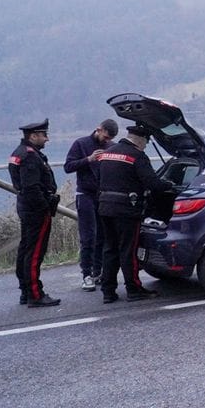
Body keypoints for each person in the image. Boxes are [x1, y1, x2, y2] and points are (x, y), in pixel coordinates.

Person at [97, 125, 175, 303]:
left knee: (109, 249)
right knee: (128, 250)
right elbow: (153, 183)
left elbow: (98, 180)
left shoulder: (108, 152)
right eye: (146, 142)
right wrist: (169, 185)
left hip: (104, 207)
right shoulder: (137, 155)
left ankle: (108, 292)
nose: (146, 146)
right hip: (126, 210)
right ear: (140, 140)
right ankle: (134, 289)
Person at [9, 119, 61, 307]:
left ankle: (25, 290)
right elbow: (31, 188)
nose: (46, 139)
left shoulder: (19, 152)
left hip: (26, 208)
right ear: (33, 136)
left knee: (25, 249)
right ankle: (35, 294)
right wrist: (45, 207)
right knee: (34, 252)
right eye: (43, 135)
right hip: (36, 211)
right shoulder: (30, 156)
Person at [64, 118, 119, 292]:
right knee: (88, 236)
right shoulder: (80, 144)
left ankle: (98, 271)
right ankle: (86, 274)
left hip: (103, 195)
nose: (106, 141)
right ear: (99, 129)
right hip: (85, 194)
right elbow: (68, 166)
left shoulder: (111, 146)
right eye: (106, 137)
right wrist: (88, 159)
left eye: (110, 139)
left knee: (102, 236)